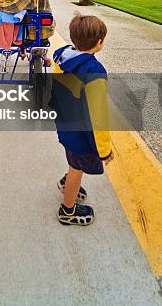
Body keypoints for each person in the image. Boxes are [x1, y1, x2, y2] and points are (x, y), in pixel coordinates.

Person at [51, 13, 113, 226]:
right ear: (99, 43)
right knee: (77, 168)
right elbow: (98, 117)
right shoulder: (93, 71)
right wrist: (104, 150)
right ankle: (68, 211)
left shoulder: (64, 57)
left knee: (73, 160)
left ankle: (69, 181)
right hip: (80, 134)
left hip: (66, 124)